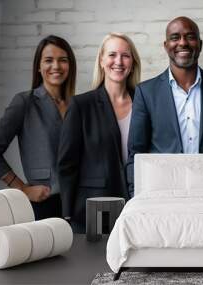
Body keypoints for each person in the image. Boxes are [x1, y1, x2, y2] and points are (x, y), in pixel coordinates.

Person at [126, 16, 203, 197]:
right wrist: (135, 197)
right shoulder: (146, 92)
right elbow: (136, 153)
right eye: (175, 37)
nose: (183, 43)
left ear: (200, 44)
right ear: (166, 45)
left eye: (190, 37)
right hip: (162, 195)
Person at [58, 33, 141, 233]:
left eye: (125, 55)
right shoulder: (81, 105)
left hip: (136, 206)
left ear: (132, 62)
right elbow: (67, 164)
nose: (119, 61)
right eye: (112, 55)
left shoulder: (144, 102)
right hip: (92, 209)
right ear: (102, 60)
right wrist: (67, 214)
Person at [0, 35, 77, 220]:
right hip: (44, 203)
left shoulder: (78, 105)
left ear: (70, 66)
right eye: (48, 60)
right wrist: (22, 188)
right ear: (38, 67)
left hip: (78, 202)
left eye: (63, 60)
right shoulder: (25, 102)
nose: (56, 66)